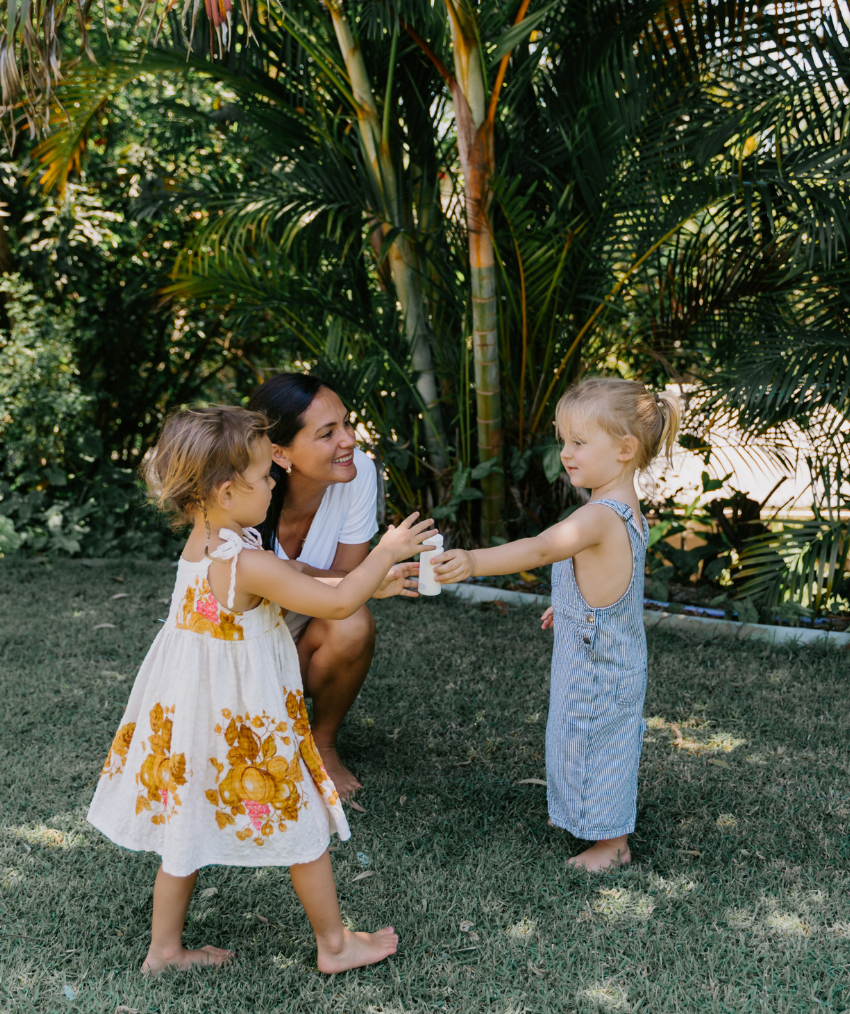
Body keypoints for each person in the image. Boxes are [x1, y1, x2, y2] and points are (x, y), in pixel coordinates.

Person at [87, 405, 436, 973]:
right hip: (245, 724)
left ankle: (165, 951)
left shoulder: (210, 544)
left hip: (194, 715)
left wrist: (369, 581)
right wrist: (384, 554)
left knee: (187, 827)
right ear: (227, 491)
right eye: (263, 475)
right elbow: (337, 605)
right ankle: (335, 945)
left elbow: (298, 578)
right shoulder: (244, 559)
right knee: (303, 820)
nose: (275, 482)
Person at [433, 378, 680, 871]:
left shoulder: (599, 517)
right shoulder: (625, 510)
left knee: (592, 742)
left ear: (625, 449)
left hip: (597, 666)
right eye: (564, 440)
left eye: (579, 443)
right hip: (607, 652)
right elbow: (610, 585)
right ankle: (589, 820)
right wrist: (566, 604)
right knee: (581, 738)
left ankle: (611, 847)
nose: (565, 453)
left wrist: (472, 560)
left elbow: (543, 547)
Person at [247, 373, 407, 801]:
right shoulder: (242, 493)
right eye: (328, 433)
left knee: (352, 620)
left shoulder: (357, 474)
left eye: (347, 424)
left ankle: (322, 742)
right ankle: (268, 725)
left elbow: (346, 591)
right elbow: (250, 596)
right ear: (279, 453)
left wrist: (311, 573)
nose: (349, 440)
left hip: (302, 632)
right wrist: (370, 573)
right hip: (242, 649)